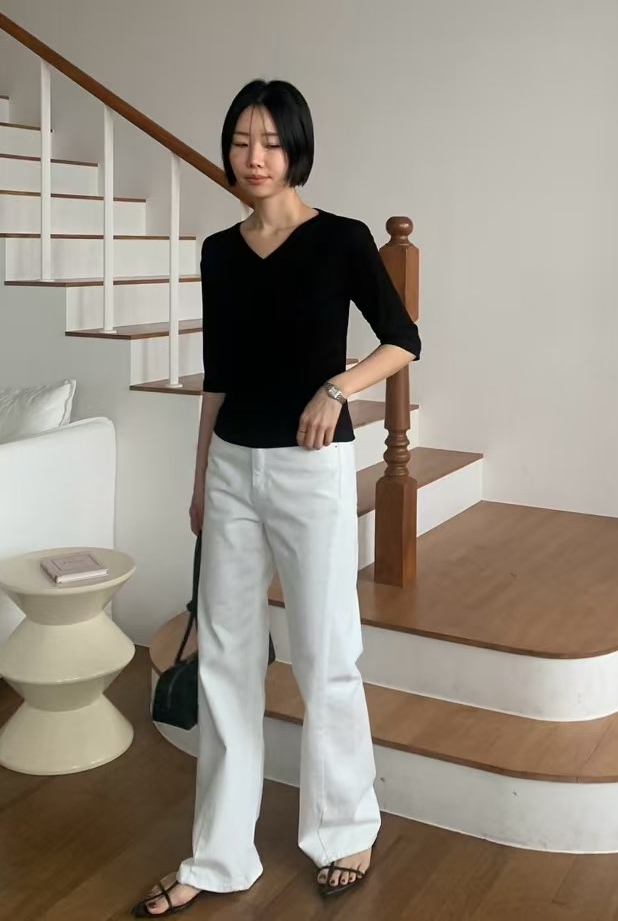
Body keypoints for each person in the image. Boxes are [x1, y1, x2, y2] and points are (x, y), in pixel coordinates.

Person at [132, 80, 421, 917]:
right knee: (226, 662)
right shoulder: (220, 252)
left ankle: (345, 830)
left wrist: (337, 388)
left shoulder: (341, 239)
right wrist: (200, 481)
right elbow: (218, 377)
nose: (253, 157)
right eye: (240, 142)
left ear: (297, 148)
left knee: (327, 653)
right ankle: (220, 855)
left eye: (270, 141)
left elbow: (402, 340)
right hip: (233, 468)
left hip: (311, 468)